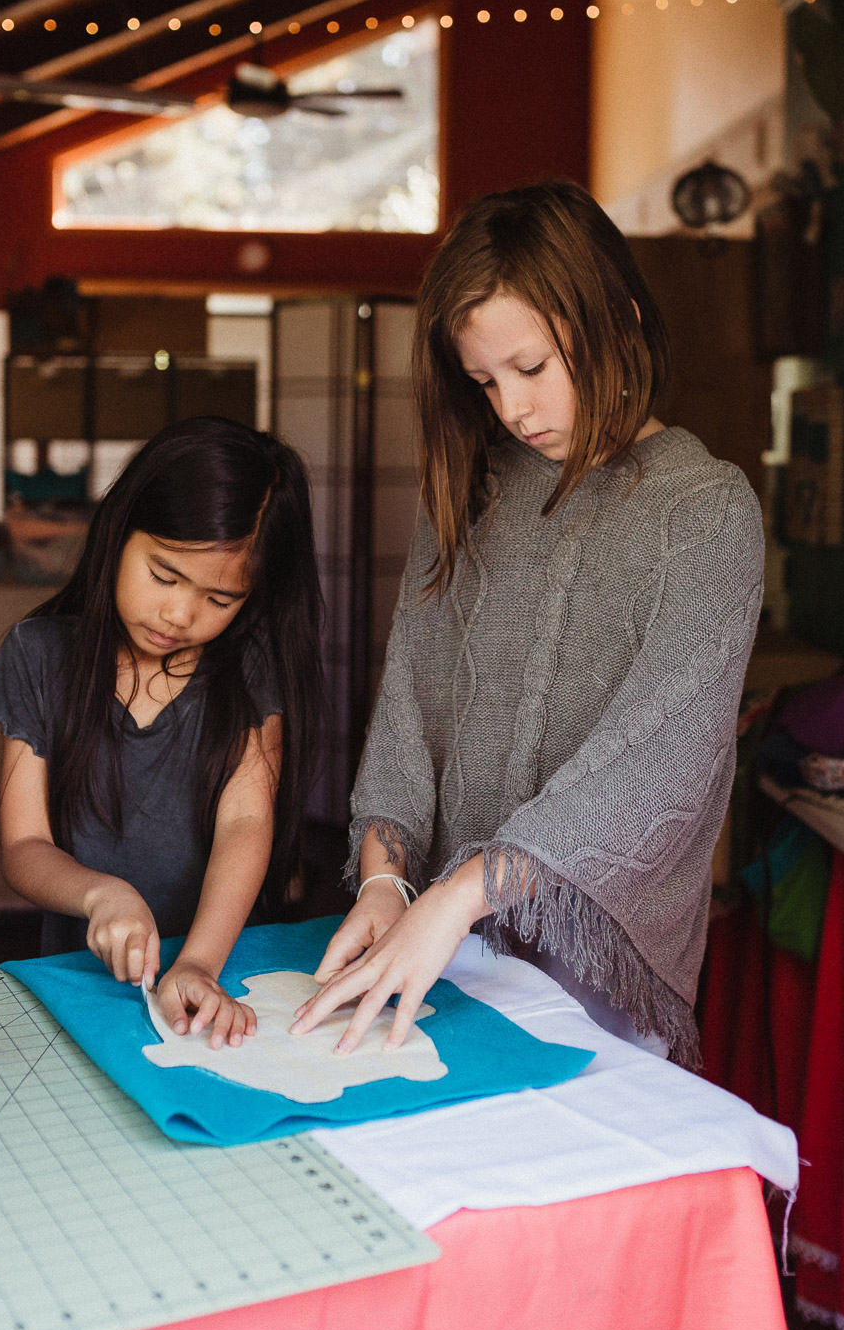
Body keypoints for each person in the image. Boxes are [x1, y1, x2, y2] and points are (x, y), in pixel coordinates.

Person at [291, 180, 763, 1069]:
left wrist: (460, 894)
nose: (510, 409)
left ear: (617, 320)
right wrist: (390, 878)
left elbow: (657, 764)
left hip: (595, 978)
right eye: (483, 381)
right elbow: (410, 709)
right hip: (447, 947)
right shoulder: (474, 485)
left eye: (533, 368)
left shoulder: (704, 510)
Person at [0, 416, 323, 1050]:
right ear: (118, 531)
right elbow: (24, 845)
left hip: (224, 967)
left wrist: (199, 962)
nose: (180, 614)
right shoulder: (40, 654)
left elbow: (247, 825)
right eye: (164, 576)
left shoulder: (251, 667)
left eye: (220, 599)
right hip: (85, 977)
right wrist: (99, 895)